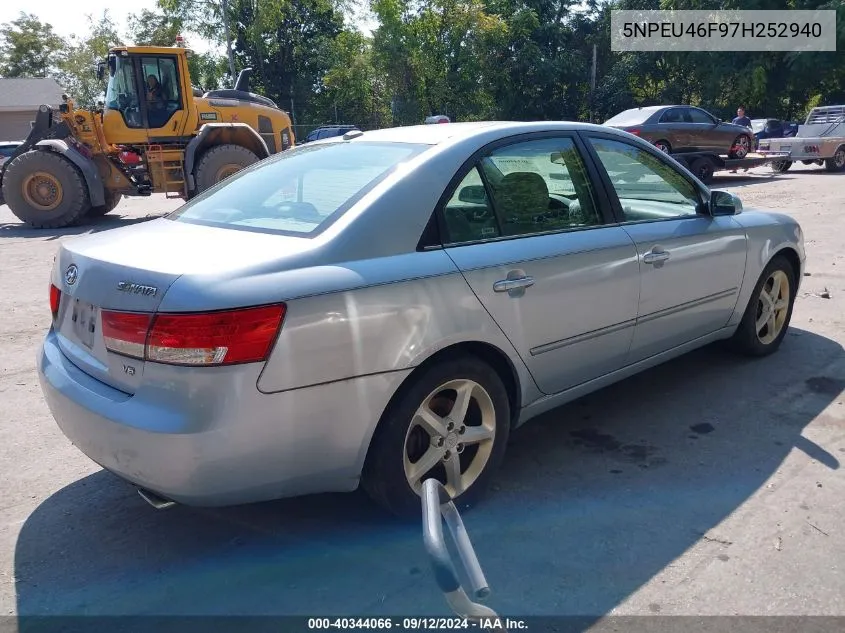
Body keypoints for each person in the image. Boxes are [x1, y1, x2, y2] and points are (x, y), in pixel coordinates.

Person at [730, 106, 752, 173]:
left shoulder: (747, 119)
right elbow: (732, 128)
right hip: (735, 140)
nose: (738, 112)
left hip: (743, 140)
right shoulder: (734, 120)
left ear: (743, 112)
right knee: (734, 154)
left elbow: (750, 128)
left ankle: (746, 166)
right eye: (738, 111)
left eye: (740, 111)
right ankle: (734, 169)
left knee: (742, 154)